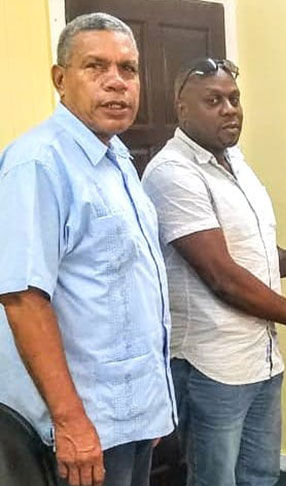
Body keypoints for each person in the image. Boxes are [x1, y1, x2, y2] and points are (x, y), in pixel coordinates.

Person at [140, 57, 286, 486]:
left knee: (261, 477)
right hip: (213, 367)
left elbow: (255, 261)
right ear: (182, 108)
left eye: (234, 98)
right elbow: (223, 277)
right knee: (216, 480)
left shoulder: (236, 162)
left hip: (261, 358)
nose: (229, 109)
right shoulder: (173, 173)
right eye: (213, 100)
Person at [0, 12, 176, 486]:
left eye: (128, 69)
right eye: (95, 67)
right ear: (60, 79)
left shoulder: (116, 157)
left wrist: (147, 406)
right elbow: (22, 299)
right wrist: (72, 422)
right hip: (81, 427)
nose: (116, 83)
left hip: (129, 415)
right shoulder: (38, 163)